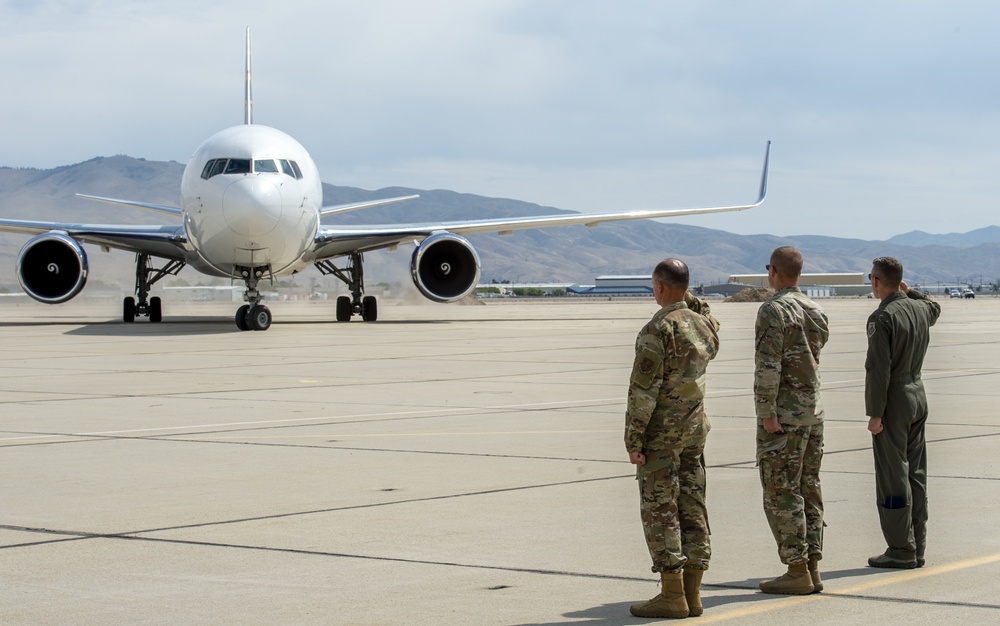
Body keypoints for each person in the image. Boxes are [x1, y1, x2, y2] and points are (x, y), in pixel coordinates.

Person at [625, 258, 720, 619]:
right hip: (694, 431)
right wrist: (686, 297)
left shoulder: (658, 329)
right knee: (693, 507)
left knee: (661, 510)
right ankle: (693, 594)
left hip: (662, 435)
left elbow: (642, 392)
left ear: (660, 287)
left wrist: (634, 438)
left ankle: (672, 594)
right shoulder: (704, 326)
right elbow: (706, 314)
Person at [754, 246, 829, 595]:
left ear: (773, 272)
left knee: (781, 492)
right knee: (808, 488)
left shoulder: (773, 310)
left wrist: (766, 413)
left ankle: (796, 569)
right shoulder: (815, 308)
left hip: (784, 415)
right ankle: (812, 565)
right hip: (812, 412)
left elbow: (768, 365)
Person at [865, 257, 940, 569]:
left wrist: (874, 413)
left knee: (893, 475)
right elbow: (935, 308)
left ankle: (900, 548)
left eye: (872, 278)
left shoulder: (882, 317)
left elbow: (878, 370)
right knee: (916, 474)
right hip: (917, 394)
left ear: (878, 281)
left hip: (894, 399)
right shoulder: (918, 308)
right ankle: (917, 545)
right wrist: (912, 293)